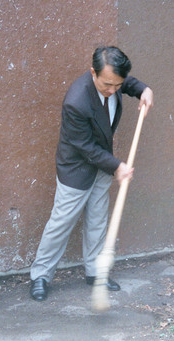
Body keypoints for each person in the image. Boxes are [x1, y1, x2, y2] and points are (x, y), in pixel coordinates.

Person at [29, 46, 154, 301]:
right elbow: (85, 147)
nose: (112, 89)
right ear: (92, 72)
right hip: (77, 166)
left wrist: (144, 90)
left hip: (103, 163)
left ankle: (96, 273)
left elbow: (127, 82)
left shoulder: (114, 79)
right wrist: (117, 167)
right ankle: (40, 275)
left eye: (117, 85)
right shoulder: (76, 101)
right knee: (61, 222)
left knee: (97, 219)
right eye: (107, 84)